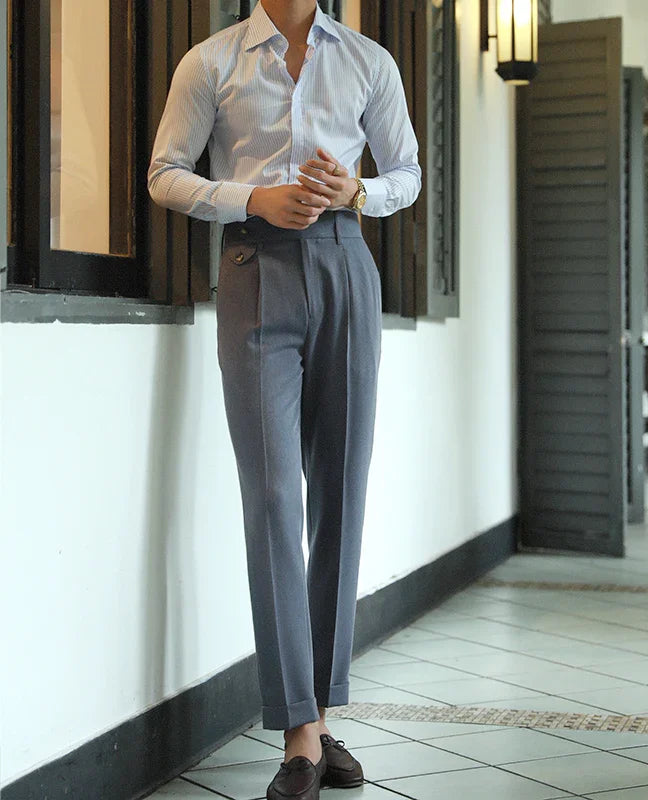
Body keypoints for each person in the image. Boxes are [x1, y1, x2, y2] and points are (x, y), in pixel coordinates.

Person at [147, 1, 421, 798]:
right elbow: (165, 172)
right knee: (271, 496)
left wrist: (356, 193)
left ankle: (318, 722)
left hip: (345, 264)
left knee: (340, 493)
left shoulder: (369, 60)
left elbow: (405, 174)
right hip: (253, 269)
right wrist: (251, 199)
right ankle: (302, 730)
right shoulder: (210, 61)